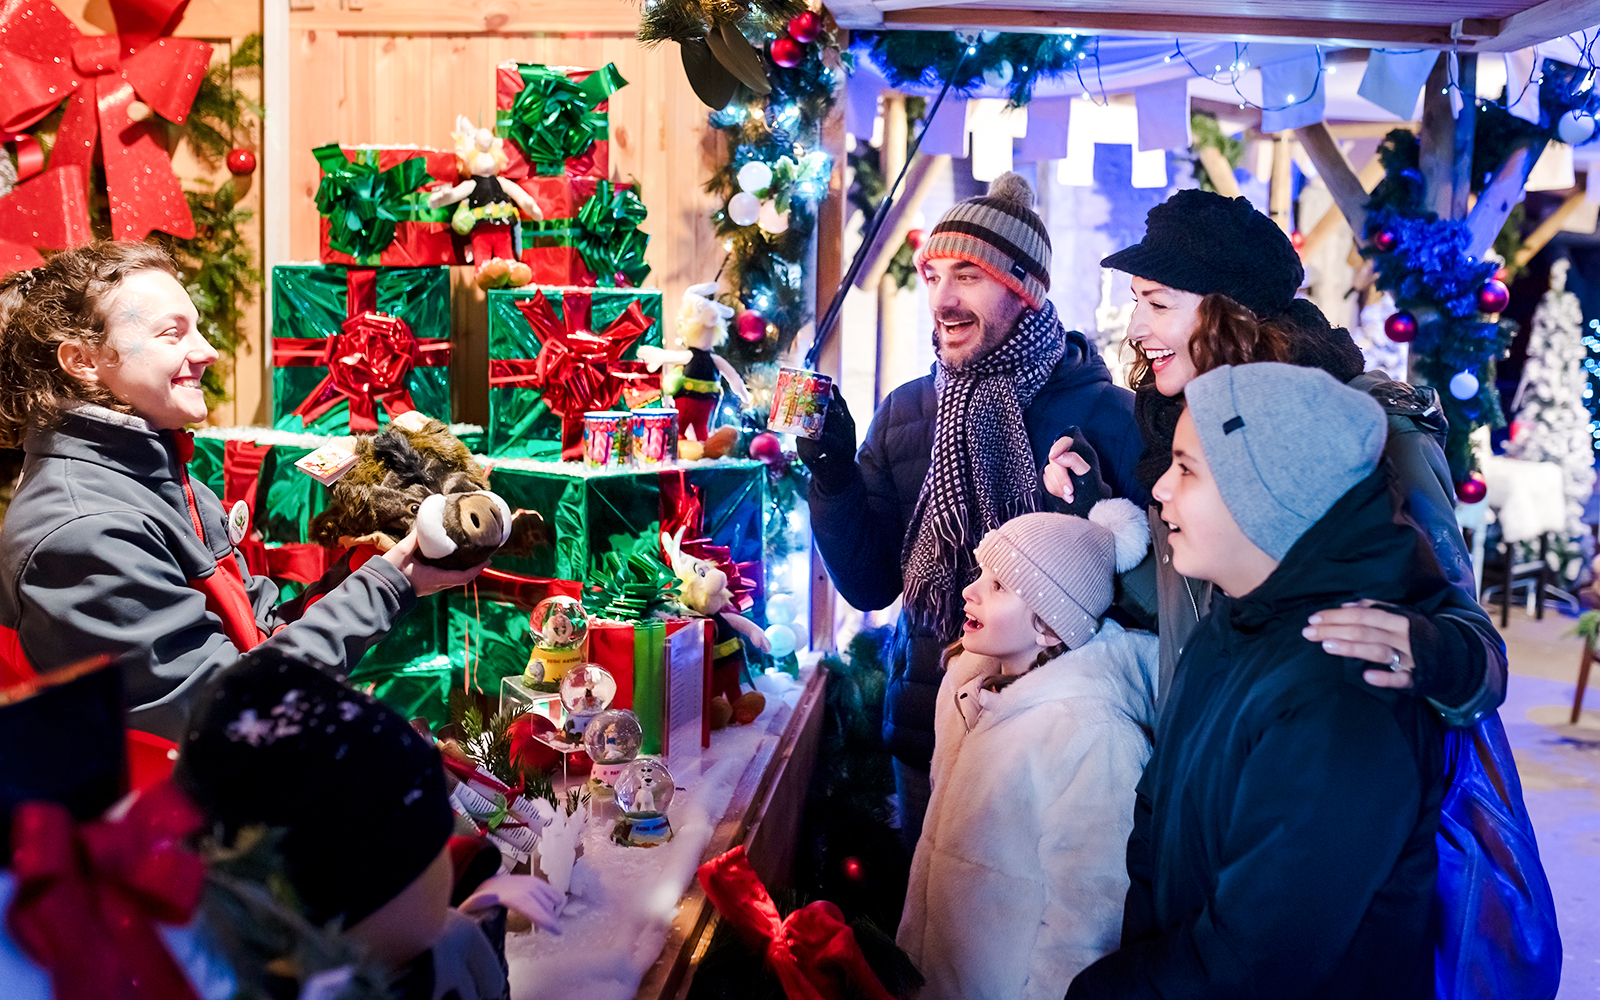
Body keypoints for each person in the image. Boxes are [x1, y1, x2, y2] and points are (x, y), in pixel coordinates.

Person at [1068, 363, 1447, 998]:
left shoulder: (1343, 698)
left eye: (1187, 468)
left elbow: (1257, 963)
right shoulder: (1231, 627)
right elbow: (1156, 818)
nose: (1159, 490)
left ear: (1269, 492)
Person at [0, 242, 484, 740]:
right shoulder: (86, 530)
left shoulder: (160, 474)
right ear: (82, 360)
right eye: (173, 334)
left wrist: (363, 571)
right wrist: (385, 586)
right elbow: (224, 714)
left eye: (198, 328)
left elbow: (258, 635)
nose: (208, 351)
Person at [801, 172, 1145, 851]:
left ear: (1026, 289)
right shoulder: (908, 411)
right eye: (932, 275)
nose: (944, 300)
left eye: (969, 275)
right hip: (929, 717)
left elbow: (1147, 597)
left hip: (1061, 737)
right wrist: (834, 475)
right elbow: (871, 583)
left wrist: (1098, 508)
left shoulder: (1107, 417)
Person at [1099, 188, 1505, 726]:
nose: (1135, 328)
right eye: (1135, 302)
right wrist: (1100, 519)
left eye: (1157, 303)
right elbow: (1195, 616)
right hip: (1207, 763)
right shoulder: (1176, 428)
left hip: (1322, 768)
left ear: (1233, 315)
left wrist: (1429, 652)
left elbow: (1474, 646)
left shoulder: (1366, 430)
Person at [897, 499, 1157, 1000]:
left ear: (1048, 625)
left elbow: (1088, 921)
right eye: (980, 575)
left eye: (997, 585)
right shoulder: (970, 697)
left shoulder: (1090, 734)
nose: (969, 592)